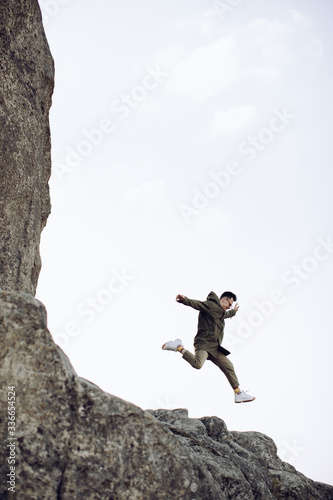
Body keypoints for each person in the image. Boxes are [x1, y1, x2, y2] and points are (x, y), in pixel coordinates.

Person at [162, 291, 255, 403]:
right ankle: (178, 346)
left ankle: (238, 393)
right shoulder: (210, 305)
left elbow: (227, 314)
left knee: (228, 365)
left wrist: (234, 311)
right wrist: (184, 300)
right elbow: (197, 304)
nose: (228, 307)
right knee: (198, 364)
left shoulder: (222, 314)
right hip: (203, 344)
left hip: (214, 348)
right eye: (229, 304)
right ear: (224, 299)